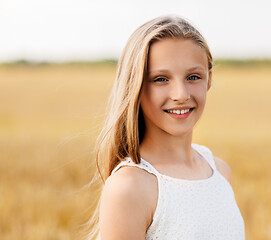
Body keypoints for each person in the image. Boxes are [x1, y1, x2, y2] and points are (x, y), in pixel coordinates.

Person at [89, 15, 245, 240]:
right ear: (135, 86)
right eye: (161, 79)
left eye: (193, 77)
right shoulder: (129, 187)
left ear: (209, 79)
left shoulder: (220, 171)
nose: (181, 95)